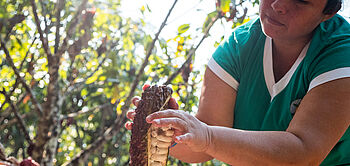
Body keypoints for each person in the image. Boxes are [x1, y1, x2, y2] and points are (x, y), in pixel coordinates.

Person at [125, 0, 350, 165]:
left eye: (300, 1)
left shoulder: (341, 53)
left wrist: (207, 136)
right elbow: (202, 150)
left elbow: (304, 154)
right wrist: (171, 130)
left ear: (328, 13)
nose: (279, 4)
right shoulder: (236, 48)